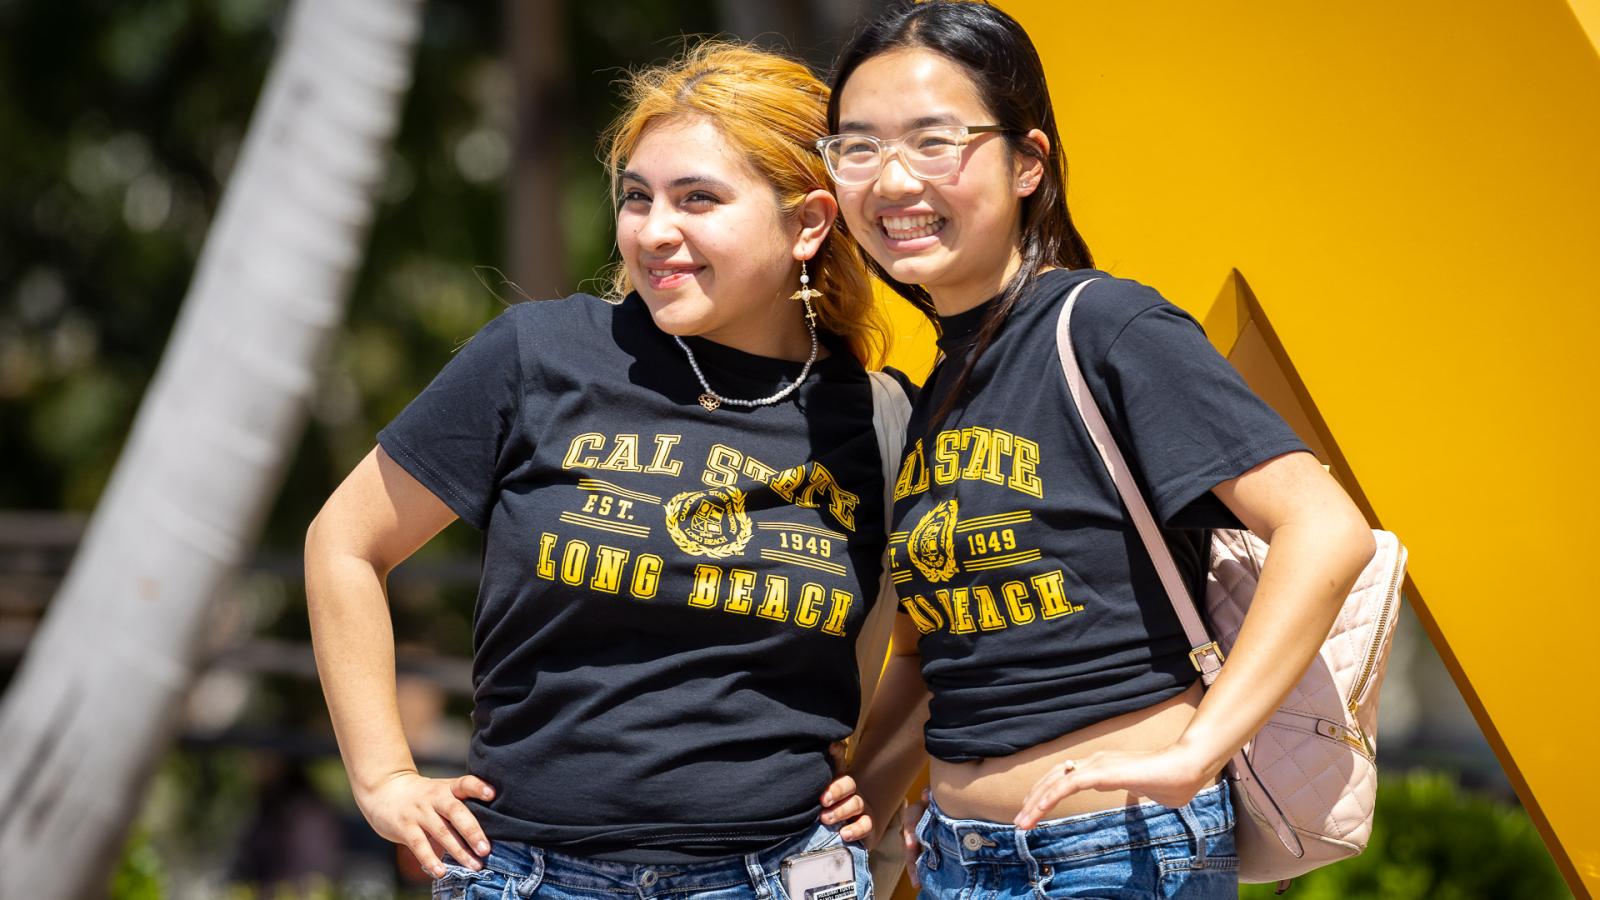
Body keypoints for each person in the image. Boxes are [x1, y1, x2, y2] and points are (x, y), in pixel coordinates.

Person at [305, 41, 910, 900]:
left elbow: (935, 639)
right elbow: (344, 543)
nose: (654, 230)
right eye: (637, 198)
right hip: (526, 875)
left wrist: (878, 785)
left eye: (697, 198)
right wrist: (384, 781)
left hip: (774, 876)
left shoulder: (875, 418)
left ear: (807, 223)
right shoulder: (539, 354)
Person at [825, 3, 1376, 896]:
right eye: (857, 147)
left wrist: (1201, 751)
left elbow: (1327, 528)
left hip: (1115, 855)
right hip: (959, 859)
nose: (892, 181)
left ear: (1028, 162)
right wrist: (864, 810)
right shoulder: (939, 388)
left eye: (934, 142)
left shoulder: (1107, 326)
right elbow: (941, 651)